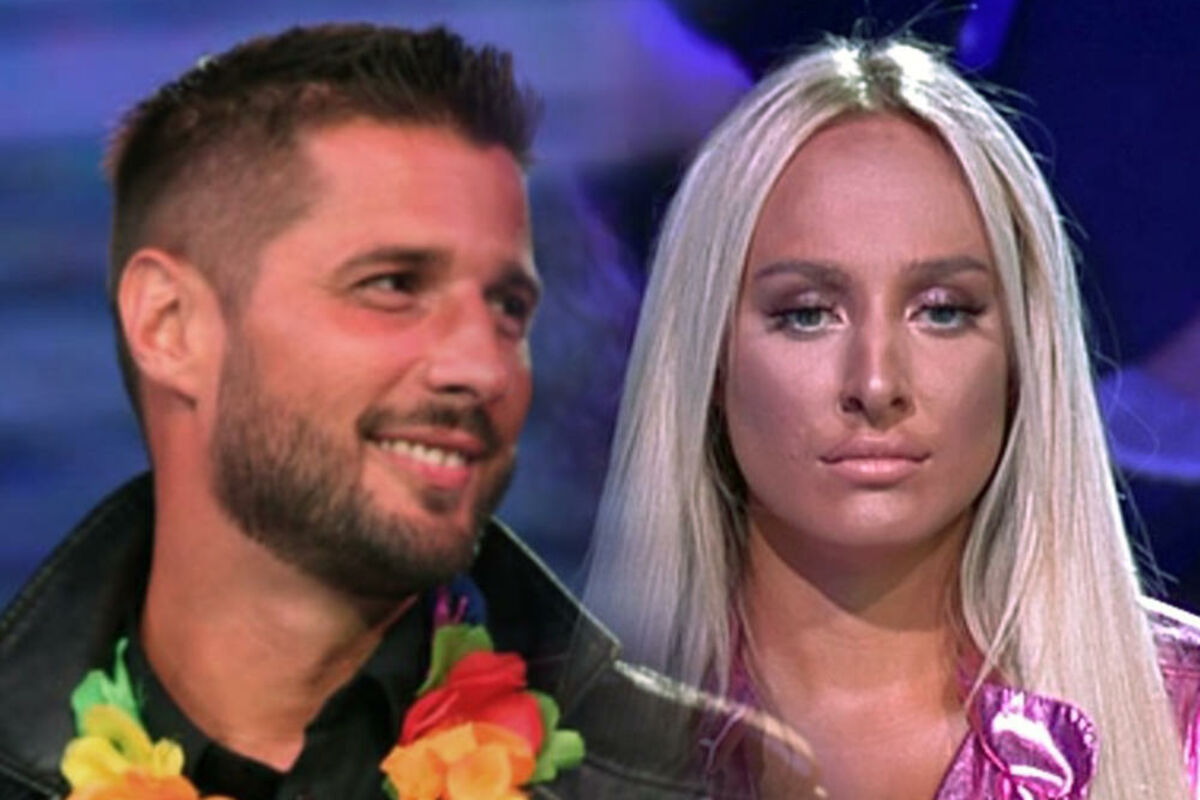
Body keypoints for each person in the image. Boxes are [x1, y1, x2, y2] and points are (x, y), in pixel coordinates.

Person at [0, 23, 750, 800]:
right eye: (393, 285)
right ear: (170, 325)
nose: (483, 368)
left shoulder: (716, 780)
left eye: (507, 307)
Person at [585, 37, 1200, 799]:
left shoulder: (1185, 727)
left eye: (942, 312)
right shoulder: (530, 739)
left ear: (1022, 356)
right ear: (710, 358)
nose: (876, 384)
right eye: (807, 313)